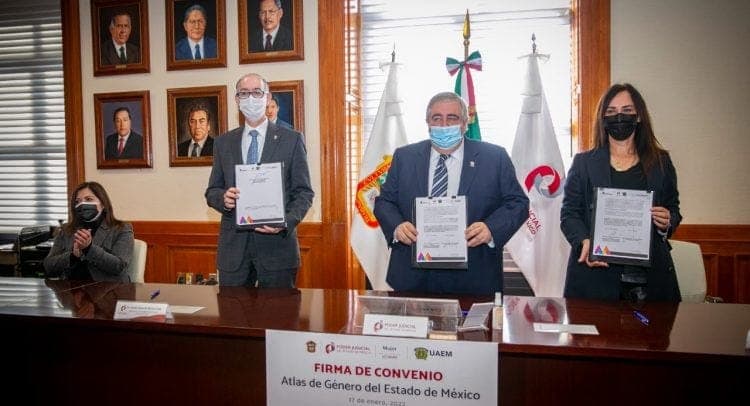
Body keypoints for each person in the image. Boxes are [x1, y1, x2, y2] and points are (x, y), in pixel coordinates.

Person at [373, 91, 529, 295]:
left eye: (452, 118)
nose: (444, 125)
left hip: (475, 277)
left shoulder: (494, 157)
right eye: (437, 118)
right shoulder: (405, 157)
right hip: (412, 277)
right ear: (428, 123)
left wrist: (491, 228)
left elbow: (518, 203)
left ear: (464, 123)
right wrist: (397, 226)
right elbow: (384, 202)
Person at [560, 83, 682, 302]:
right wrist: (584, 241)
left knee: (652, 326)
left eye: (626, 110)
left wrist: (667, 220)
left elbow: (673, 209)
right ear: (603, 118)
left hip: (650, 278)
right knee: (595, 327)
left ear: (639, 116)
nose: (619, 117)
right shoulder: (583, 163)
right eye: (611, 111)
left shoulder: (661, 162)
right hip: (596, 277)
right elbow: (569, 214)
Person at [205, 72, 313, 288]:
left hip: (277, 250)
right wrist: (223, 198)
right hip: (234, 251)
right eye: (244, 93)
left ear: (267, 97)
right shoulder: (223, 142)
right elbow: (212, 190)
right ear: (237, 100)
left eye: (257, 92)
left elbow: (304, 193)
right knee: (231, 310)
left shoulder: (292, 139)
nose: (251, 98)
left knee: (279, 310)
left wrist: (285, 222)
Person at [44, 181, 134, 282]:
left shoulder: (121, 228)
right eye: (77, 202)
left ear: (103, 204)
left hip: (108, 289)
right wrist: (72, 256)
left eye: (89, 199)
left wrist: (89, 249)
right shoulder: (66, 230)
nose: (82, 204)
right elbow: (48, 266)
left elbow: (119, 267)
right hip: (71, 288)